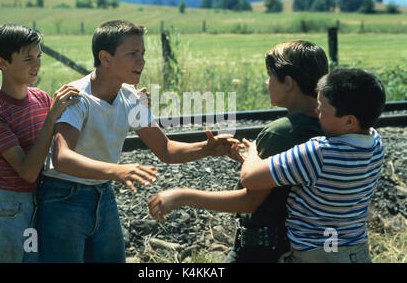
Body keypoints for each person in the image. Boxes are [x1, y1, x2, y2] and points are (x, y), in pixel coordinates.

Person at [37, 20, 239, 263]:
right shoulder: (77, 98)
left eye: (142, 53)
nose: (141, 61)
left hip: (103, 193)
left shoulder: (131, 97)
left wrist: (206, 148)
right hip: (63, 198)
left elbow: (165, 149)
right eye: (132, 54)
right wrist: (117, 170)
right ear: (105, 58)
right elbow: (62, 158)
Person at [148, 40, 329, 262]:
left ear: (289, 83)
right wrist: (249, 161)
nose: (266, 82)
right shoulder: (327, 124)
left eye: (270, 75)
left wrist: (181, 196)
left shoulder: (281, 132)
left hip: (261, 251)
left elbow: (250, 201)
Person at [239, 68, 386, 263]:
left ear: (349, 121)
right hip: (355, 252)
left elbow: (249, 178)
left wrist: (253, 152)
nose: (317, 112)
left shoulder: (319, 153)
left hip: (318, 255)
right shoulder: (376, 144)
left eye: (323, 109)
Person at [0, 23, 80, 263]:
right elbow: (27, 172)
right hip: (7, 208)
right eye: (28, 59)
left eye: (38, 56)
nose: (37, 64)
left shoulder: (41, 98)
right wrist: (52, 117)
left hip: (37, 202)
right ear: (2, 63)